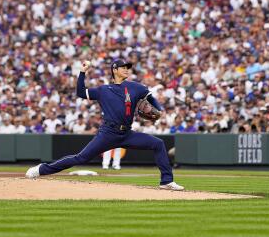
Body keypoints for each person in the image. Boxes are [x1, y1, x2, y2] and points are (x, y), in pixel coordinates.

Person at [26, 59, 184, 190]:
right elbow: (81, 92)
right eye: (123, 67)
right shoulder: (103, 90)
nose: (127, 70)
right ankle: (41, 169)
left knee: (158, 144)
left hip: (127, 134)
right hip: (108, 133)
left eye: (127, 68)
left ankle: (166, 181)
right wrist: (82, 73)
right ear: (114, 70)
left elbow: (150, 97)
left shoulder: (135, 87)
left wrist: (160, 109)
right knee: (80, 158)